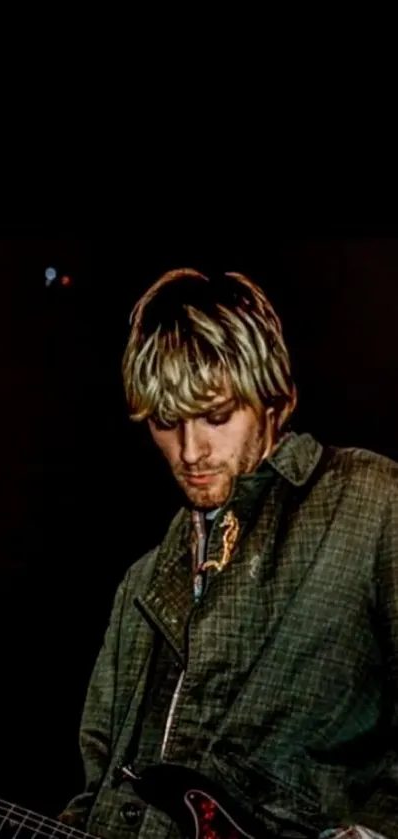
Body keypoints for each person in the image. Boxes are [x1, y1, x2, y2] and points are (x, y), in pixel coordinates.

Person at [59, 269, 398, 838]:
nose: (191, 451)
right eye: (167, 422)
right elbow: (98, 789)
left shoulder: (370, 501)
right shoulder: (141, 583)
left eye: (216, 415)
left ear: (273, 399)